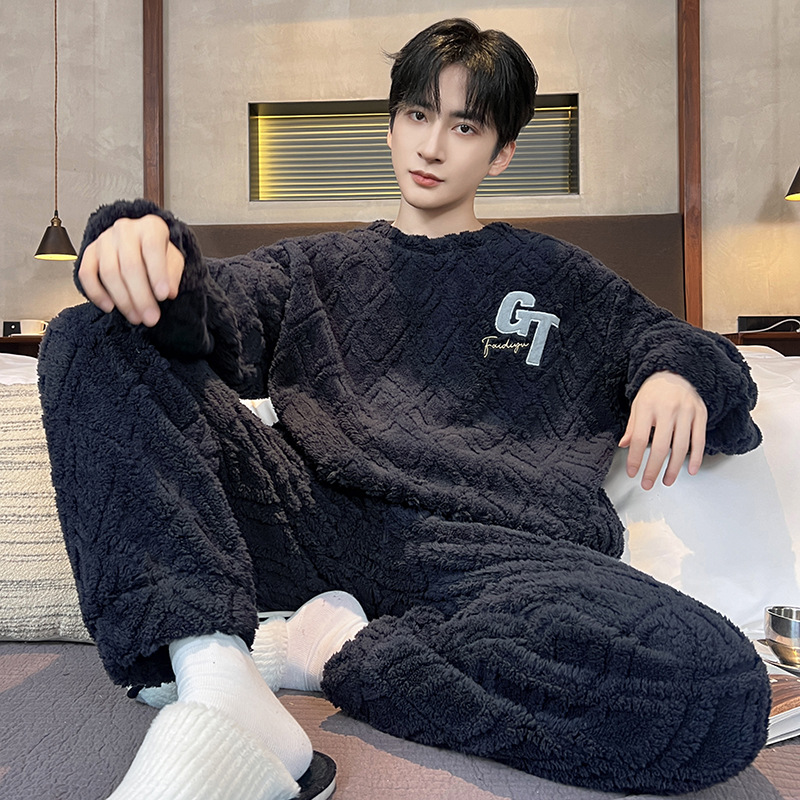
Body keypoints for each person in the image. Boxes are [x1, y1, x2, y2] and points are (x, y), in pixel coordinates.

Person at [39, 17, 770, 800]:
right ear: (390, 126)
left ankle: (325, 648)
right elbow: (204, 312)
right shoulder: (313, 268)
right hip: (311, 519)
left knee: (719, 697)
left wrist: (676, 372)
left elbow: (690, 351)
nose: (432, 146)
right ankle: (214, 670)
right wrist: (139, 243)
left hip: (500, 556)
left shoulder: (562, 278)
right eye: (418, 116)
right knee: (89, 333)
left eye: (464, 126)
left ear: (501, 152)